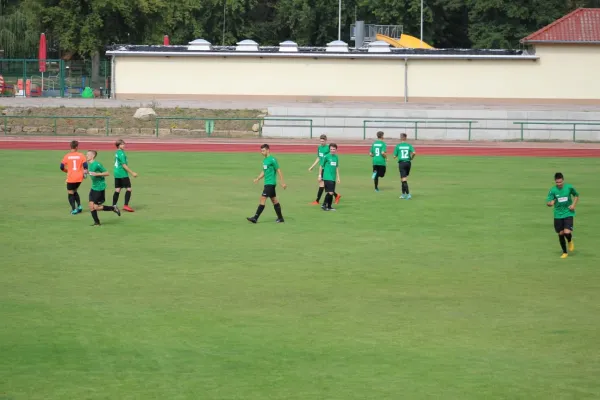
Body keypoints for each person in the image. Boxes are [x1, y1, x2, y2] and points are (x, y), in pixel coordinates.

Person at [247, 144, 287, 223]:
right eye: (261, 151)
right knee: (274, 200)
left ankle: (255, 218)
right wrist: (258, 178)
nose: (262, 152)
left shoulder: (272, 159)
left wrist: (283, 183)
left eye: (263, 150)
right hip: (267, 183)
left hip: (270, 184)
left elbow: (278, 170)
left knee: (262, 199)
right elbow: (264, 172)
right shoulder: (265, 160)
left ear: (268, 150)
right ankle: (280, 218)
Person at [546, 172, 579, 258]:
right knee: (561, 234)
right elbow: (548, 203)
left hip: (568, 213)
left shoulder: (569, 187)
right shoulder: (553, 190)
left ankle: (570, 240)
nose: (559, 184)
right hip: (558, 215)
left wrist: (573, 205)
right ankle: (565, 252)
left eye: (560, 182)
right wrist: (551, 203)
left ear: (563, 180)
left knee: (567, 232)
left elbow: (576, 195)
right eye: (557, 182)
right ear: (555, 182)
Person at [87, 150, 121, 226]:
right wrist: (85, 173)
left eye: (88, 155)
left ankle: (113, 208)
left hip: (99, 188)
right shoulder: (90, 164)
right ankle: (97, 223)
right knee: (91, 206)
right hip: (93, 187)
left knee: (95, 207)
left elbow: (107, 173)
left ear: (93, 156)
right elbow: (91, 173)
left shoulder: (97, 164)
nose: (86, 156)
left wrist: (97, 174)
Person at [308, 134, 341, 205]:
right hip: (321, 168)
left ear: (326, 141)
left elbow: (330, 159)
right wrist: (312, 166)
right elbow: (319, 158)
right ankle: (336, 195)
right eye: (320, 141)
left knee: (322, 185)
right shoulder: (319, 147)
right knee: (323, 185)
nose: (321, 142)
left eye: (323, 141)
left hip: (325, 169)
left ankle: (317, 201)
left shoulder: (328, 148)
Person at [60, 140, 88, 215]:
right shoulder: (81, 155)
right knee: (75, 191)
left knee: (70, 193)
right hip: (79, 177)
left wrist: (67, 171)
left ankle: (74, 209)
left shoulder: (67, 156)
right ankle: (79, 206)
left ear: (71, 147)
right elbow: (85, 166)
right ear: (76, 147)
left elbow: (61, 167)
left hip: (71, 177)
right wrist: (85, 172)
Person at [112, 139, 138, 212]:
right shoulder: (121, 153)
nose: (124, 145)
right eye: (122, 144)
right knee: (129, 189)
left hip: (116, 172)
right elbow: (124, 165)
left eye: (124, 144)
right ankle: (126, 205)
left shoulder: (117, 152)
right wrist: (132, 173)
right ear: (118, 146)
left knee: (118, 189)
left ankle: (114, 205)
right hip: (122, 173)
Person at [393, 133, 416, 199]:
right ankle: (403, 194)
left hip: (402, 163)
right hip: (408, 163)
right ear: (406, 138)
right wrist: (412, 158)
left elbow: (394, 156)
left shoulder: (398, 146)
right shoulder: (409, 145)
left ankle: (408, 194)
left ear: (400, 138)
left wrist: (397, 155)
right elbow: (414, 153)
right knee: (403, 178)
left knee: (404, 179)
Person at [319, 143, 341, 211]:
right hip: (327, 177)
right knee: (331, 192)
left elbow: (336, 167)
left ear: (336, 149)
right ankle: (324, 205)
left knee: (331, 192)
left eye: (334, 149)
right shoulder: (326, 156)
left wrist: (338, 177)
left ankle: (329, 206)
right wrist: (319, 175)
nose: (332, 150)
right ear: (329, 149)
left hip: (333, 177)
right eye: (331, 149)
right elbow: (321, 165)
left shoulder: (336, 157)